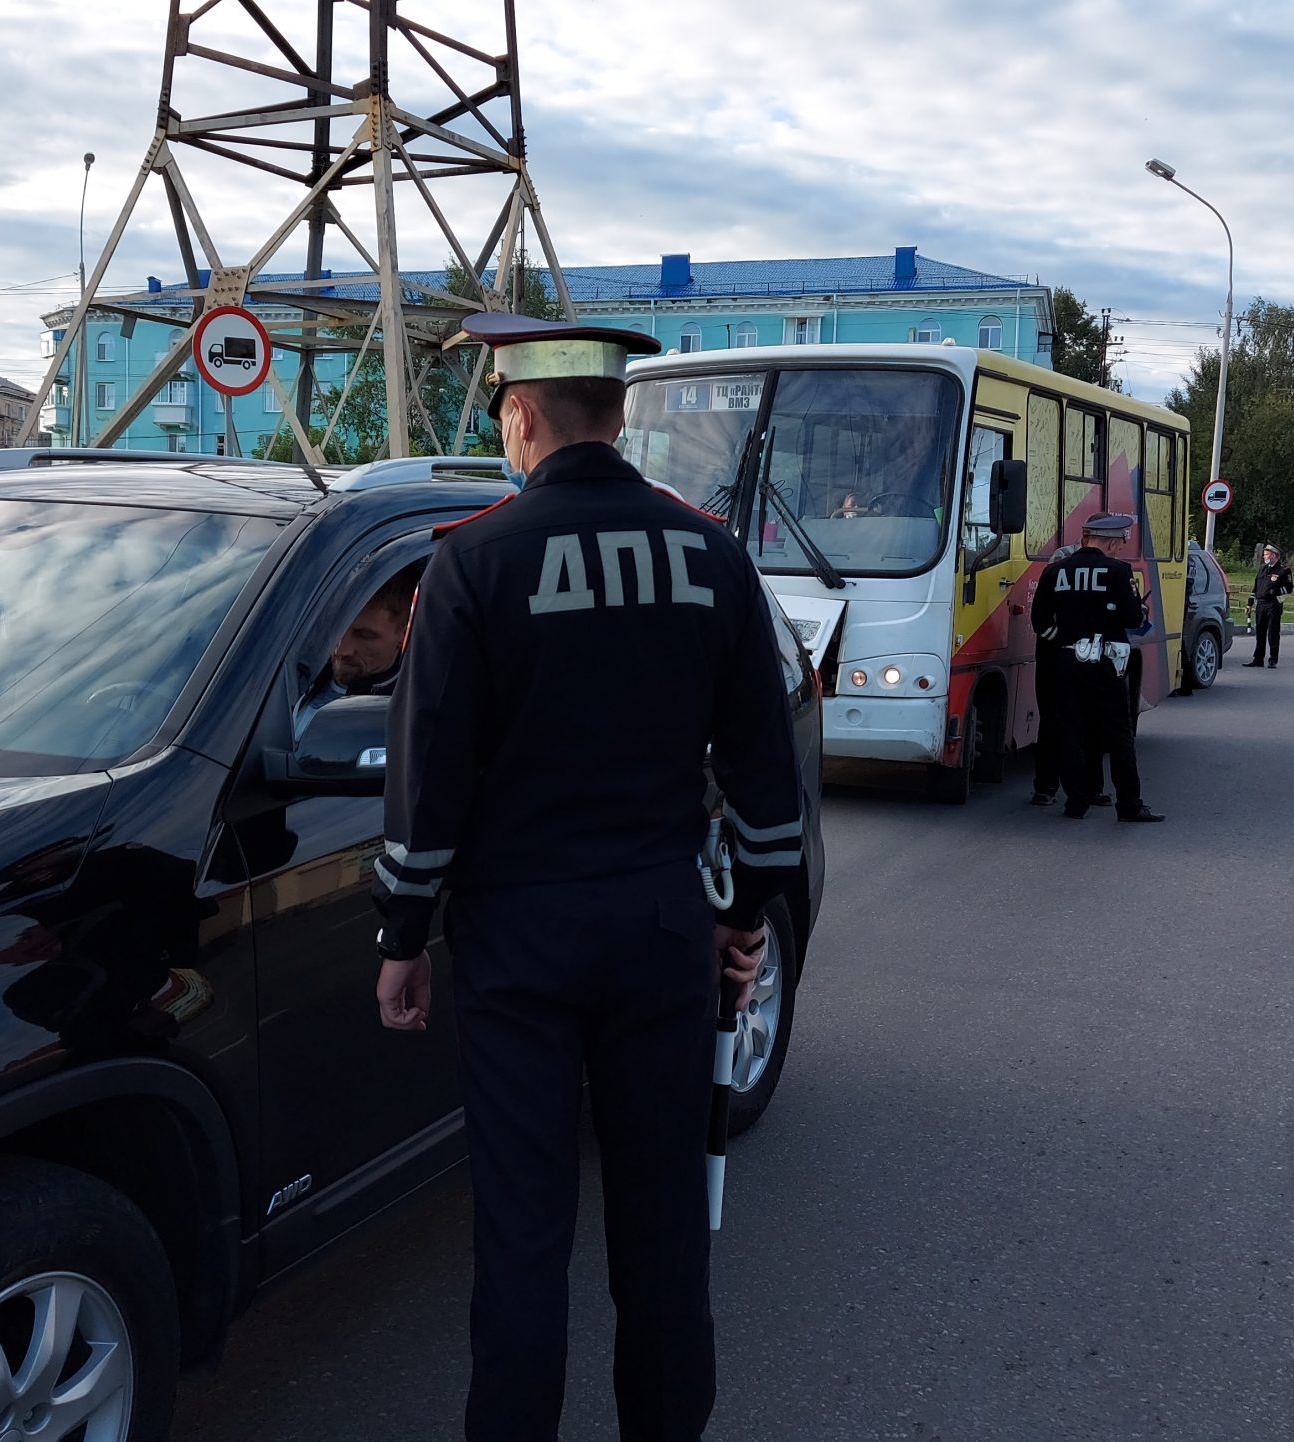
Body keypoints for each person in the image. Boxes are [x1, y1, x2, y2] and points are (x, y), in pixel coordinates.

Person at [372, 310, 808, 1442]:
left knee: (521, 1238)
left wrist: (402, 936)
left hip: (518, 942)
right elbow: (765, 779)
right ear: (620, 416)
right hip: (663, 929)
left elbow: (430, 785)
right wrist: (744, 917)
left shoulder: (470, 561)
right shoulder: (711, 553)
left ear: (520, 417)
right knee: (662, 1228)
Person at [1033, 512, 1163, 823]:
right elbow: (1134, 620)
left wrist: (1064, 640)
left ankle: (1076, 803)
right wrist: (1135, 612)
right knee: (1118, 734)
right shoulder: (1118, 571)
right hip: (1106, 662)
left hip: (1066, 661)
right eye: (1119, 543)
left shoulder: (1055, 571)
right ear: (1109, 541)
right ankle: (1129, 805)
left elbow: (1040, 621)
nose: (1120, 549)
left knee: (1069, 731)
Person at [1028, 542, 1109, 811]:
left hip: (1064, 657)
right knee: (1059, 723)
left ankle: (1081, 788)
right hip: (1059, 658)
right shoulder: (1056, 580)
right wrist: (1064, 640)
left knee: (1084, 725)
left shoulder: (1060, 578)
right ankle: (1052, 787)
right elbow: (1040, 621)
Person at [299, 562, 421, 723]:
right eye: (337, 629)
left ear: (404, 635)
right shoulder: (297, 668)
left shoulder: (403, 713)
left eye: (364, 635)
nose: (341, 650)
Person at [1247, 542, 1294, 667]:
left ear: (1274, 555)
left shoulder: (1283, 570)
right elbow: (1256, 586)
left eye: (1266, 554)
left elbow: (1289, 588)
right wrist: (1249, 603)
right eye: (1264, 554)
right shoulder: (1262, 568)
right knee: (1260, 633)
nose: (1264, 556)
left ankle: (1273, 659)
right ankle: (1258, 659)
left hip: (1273, 604)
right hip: (1261, 604)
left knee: (1273, 633)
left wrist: (1274, 591)